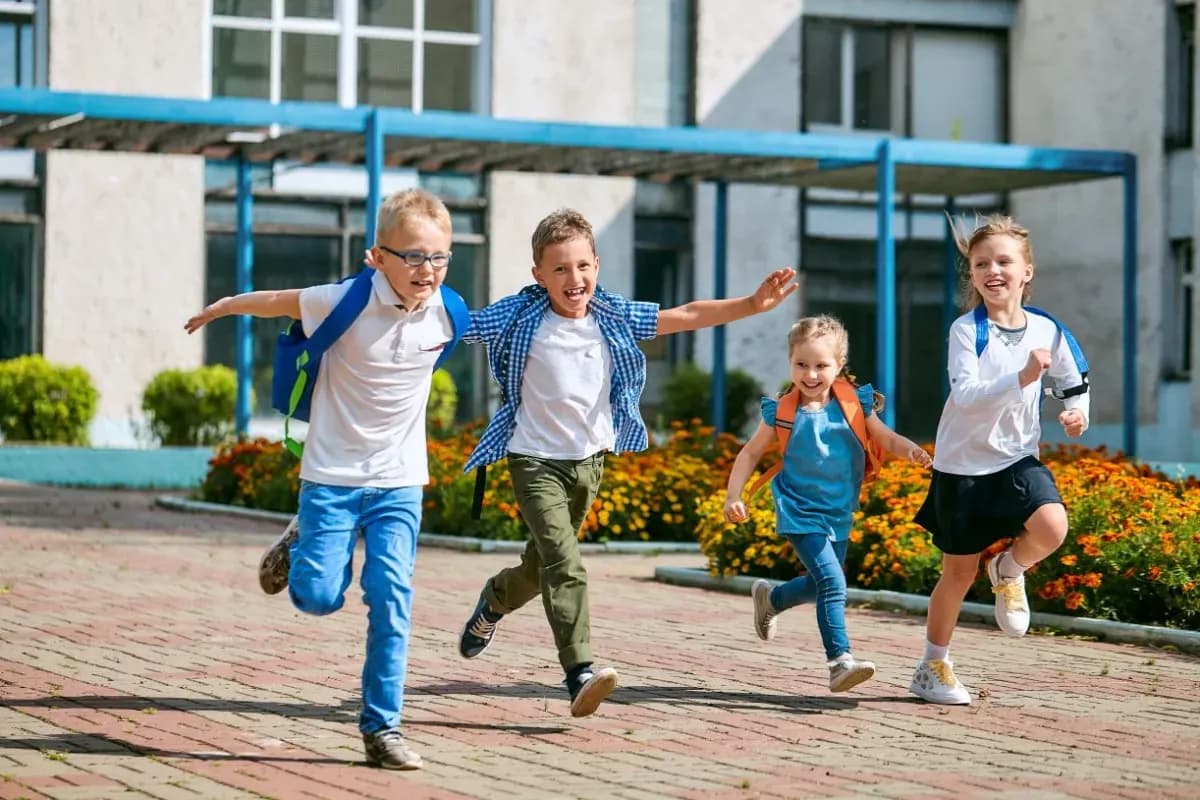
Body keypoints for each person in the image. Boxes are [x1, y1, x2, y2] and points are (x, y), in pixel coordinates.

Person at [448, 207, 798, 717]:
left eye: (583, 266)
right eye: (561, 269)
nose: (575, 279)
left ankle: (494, 601)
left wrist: (751, 303)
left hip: (589, 463)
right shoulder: (520, 315)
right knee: (565, 565)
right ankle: (579, 672)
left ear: (597, 265)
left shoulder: (611, 315)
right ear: (538, 275)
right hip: (533, 460)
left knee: (540, 565)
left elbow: (686, 315)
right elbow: (456, 326)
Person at [183, 188, 461, 770]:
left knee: (391, 601)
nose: (426, 270)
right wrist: (223, 306)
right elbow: (274, 302)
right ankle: (301, 540)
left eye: (437, 257)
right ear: (376, 256)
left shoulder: (448, 312)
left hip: (399, 482)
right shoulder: (343, 301)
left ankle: (382, 729)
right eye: (411, 256)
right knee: (316, 598)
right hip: (331, 478)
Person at [907, 214, 1089, 705]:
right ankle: (932, 667)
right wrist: (1025, 377)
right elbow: (965, 395)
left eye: (1004, 261)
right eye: (981, 263)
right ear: (972, 273)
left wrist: (1076, 413)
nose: (993, 270)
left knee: (1052, 527)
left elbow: (1074, 382)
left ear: (1026, 271)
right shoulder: (967, 330)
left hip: (1016, 459)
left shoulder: (1048, 329)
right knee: (958, 574)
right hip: (962, 468)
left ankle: (1008, 571)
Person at [723, 315, 932, 692]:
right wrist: (734, 496)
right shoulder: (782, 411)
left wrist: (912, 451)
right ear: (790, 362)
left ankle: (772, 599)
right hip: (798, 509)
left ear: (839, 365)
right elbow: (750, 453)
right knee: (834, 583)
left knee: (819, 586)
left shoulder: (854, 404)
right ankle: (840, 662)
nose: (811, 374)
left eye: (821, 365)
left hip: (838, 509)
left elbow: (885, 438)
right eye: (801, 364)